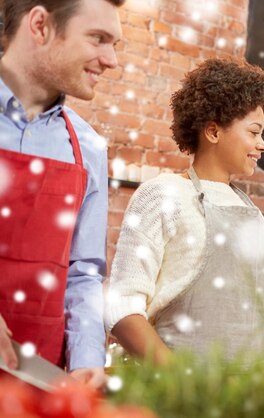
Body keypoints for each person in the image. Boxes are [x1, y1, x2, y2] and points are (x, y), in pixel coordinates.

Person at [104, 58, 264, 374]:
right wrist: (186, 385)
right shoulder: (163, 195)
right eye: (254, 132)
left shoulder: (253, 212)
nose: (263, 144)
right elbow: (122, 308)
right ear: (213, 131)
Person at [0, 0, 124, 388]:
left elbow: (84, 272)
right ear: (40, 26)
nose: (111, 60)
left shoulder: (88, 147)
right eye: (98, 39)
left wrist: (87, 360)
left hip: (38, 381)